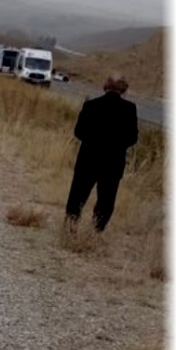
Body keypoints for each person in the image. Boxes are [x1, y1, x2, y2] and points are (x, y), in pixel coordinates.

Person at [65, 74, 138, 232]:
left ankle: (71, 227)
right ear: (124, 89)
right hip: (113, 162)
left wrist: (93, 140)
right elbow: (132, 138)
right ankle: (96, 230)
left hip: (88, 158)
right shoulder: (130, 109)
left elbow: (78, 132)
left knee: (77, 195)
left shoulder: (91, 105)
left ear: (105, 86)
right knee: (106, 200)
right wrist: (117, 145)